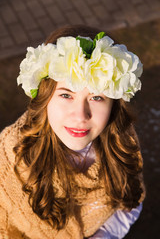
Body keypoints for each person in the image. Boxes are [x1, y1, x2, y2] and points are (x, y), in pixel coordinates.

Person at [0, 25, 145, 239]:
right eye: (66, 95)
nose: (80, 116)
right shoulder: (10, 158)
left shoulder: (122, 138)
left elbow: (131, 198)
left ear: (114, 104)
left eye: (97, 97)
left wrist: (105, 235)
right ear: (44, 97)